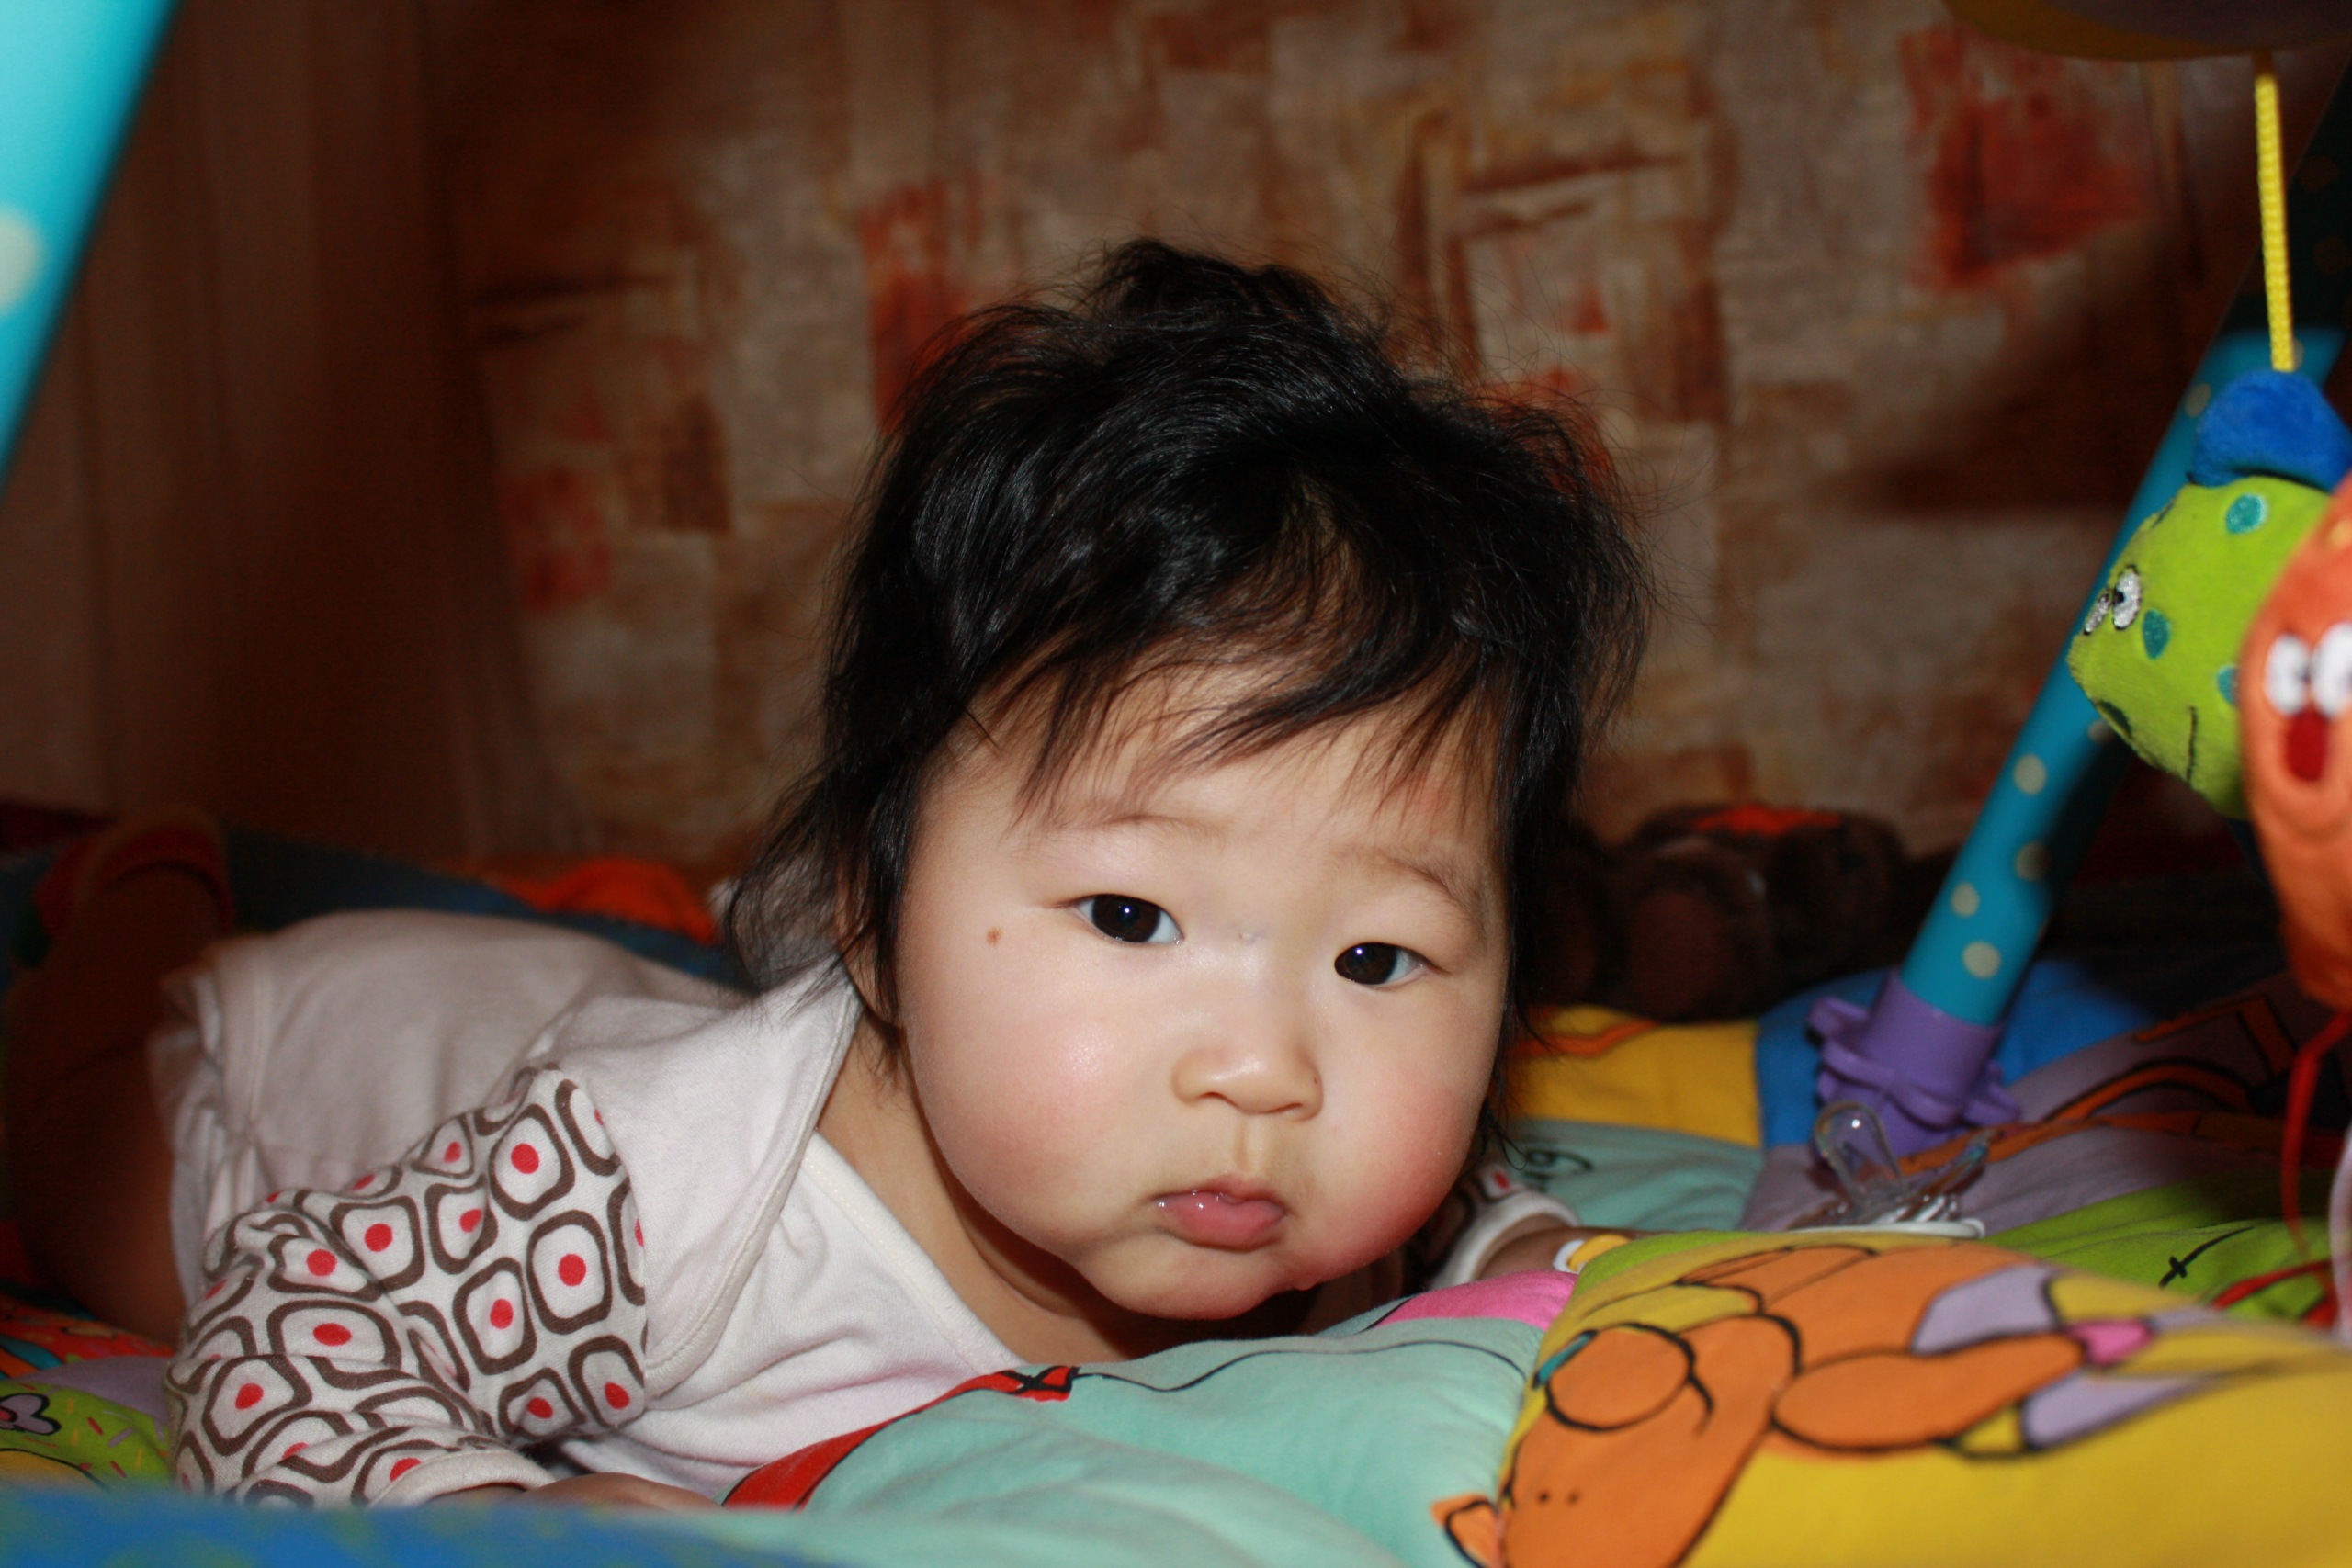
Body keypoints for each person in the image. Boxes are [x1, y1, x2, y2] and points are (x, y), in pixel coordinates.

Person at [2, 241, 1649, 1506]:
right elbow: (292, 1330)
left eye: (1375, 960)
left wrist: (1527, 1276)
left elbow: (1477, 1223)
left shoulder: (1325, 1189)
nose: (1265, 1070)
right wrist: (499, 1522)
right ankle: (151, 882)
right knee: (69, 1167)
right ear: (871, 904)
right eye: (1131, 916)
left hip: (587, 1008)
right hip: (282, 1088)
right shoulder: (665, 1194)